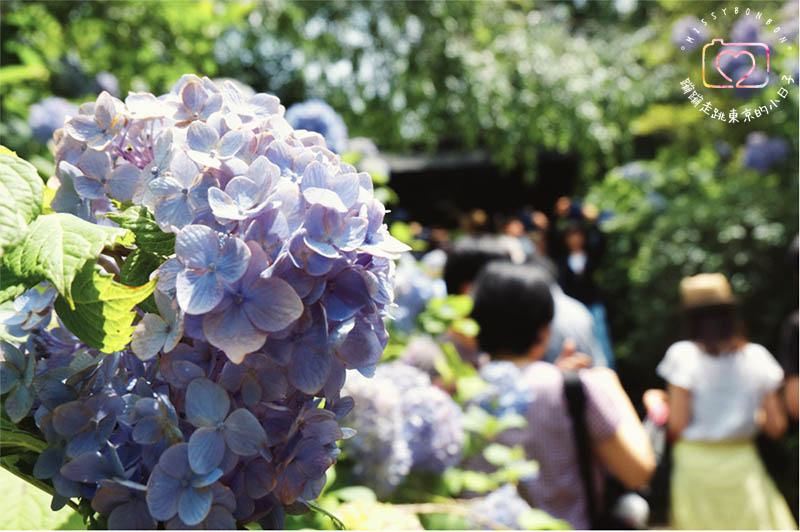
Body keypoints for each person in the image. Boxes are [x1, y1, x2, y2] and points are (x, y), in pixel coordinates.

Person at [470, 261, 655, 529]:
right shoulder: (574, 390)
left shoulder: (459, 392)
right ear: (545, 330)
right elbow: (638, 472)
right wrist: (608, 383)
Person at [656, 273, 796, 530]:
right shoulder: (757, 357)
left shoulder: (681, 356)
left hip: (695, 467)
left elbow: (677, 423)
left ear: (688, 316)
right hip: (743, 463)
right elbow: (776, 427)